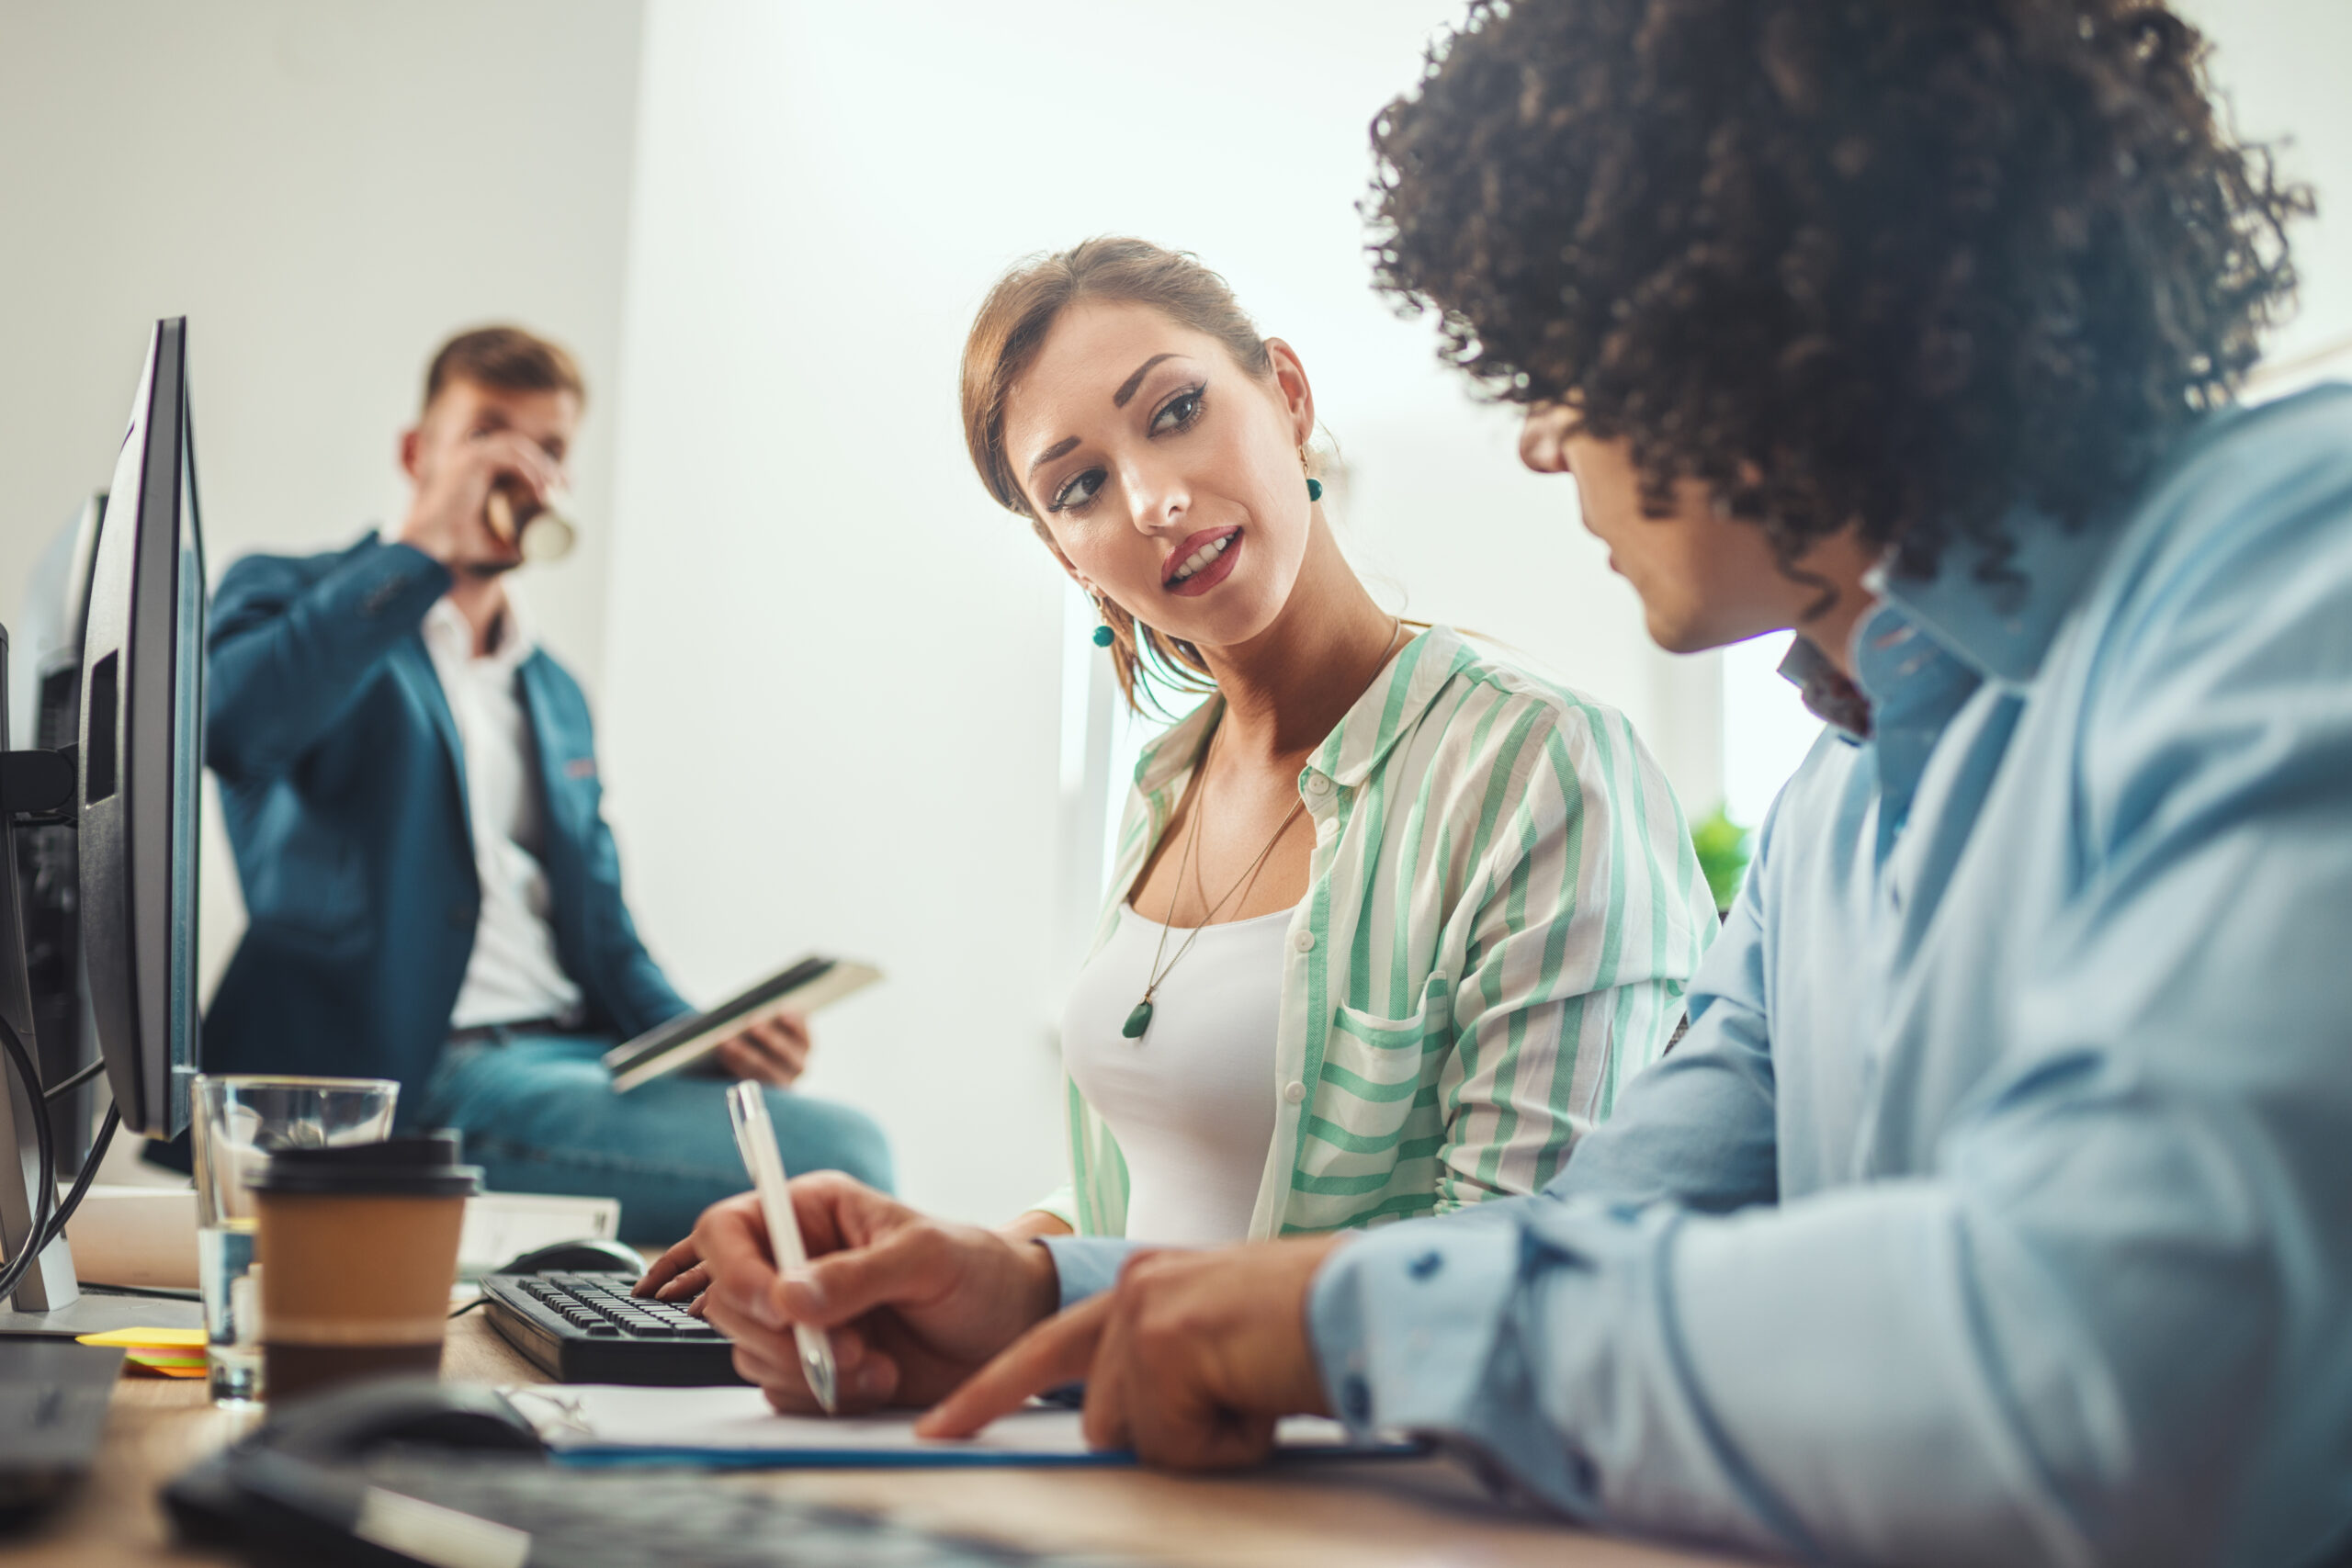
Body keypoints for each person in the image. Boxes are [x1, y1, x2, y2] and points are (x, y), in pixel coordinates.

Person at [671, 4, 2352, 1563]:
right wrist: (1047, 1288)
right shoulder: (1828, 815)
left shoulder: (2292, 574)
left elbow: (2115, 1360)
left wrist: (1326, 1326)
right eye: (1080, 485)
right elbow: (1580, 1245)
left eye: (1571, 354)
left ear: (1772, 304)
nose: (1545, 437)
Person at [635, 239, 1714, 1299]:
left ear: (1286, 394)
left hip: (1333, 1459)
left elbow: (1526, 1270)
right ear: (1067, 557)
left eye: (1176, 412)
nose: (1151, 500)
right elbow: (1146, 1208)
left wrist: (1050, 1300)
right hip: (1108, 1424)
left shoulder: (1538, 769)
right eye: (1080, 487)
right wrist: (929, 1272)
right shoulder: (1168, 783)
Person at [191, 325, 893, 1242]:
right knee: (840, 1158)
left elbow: (601, 927)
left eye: (549, 448)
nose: (522, 467)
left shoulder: (552, 690)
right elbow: (234, 729)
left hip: (573, 1057)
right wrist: (417, 555)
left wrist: (703, 1033)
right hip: (411, 1077)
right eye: (490, 434)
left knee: (814, 1143)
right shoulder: (295, 594)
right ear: (418, 453)